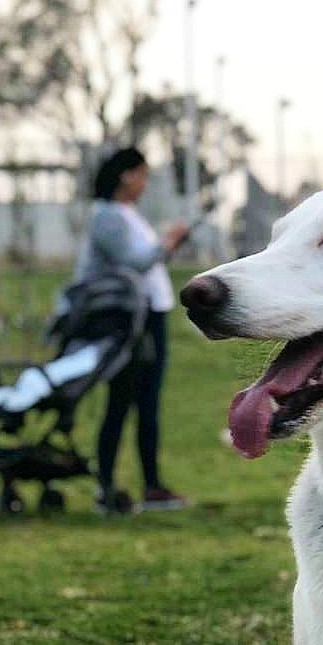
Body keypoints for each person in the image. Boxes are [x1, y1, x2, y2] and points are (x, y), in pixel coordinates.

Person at [74, 147, 190, 514]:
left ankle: (150, 486)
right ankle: (109, 487)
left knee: (146, 405)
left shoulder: (126, 214)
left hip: (149, 315)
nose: (145, 183)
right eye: (143, 175)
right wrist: (168, 242)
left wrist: (166, 246)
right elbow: (134, 263)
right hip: (130, 322)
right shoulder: (107, 216)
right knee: (122, 403)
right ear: (127, 176)